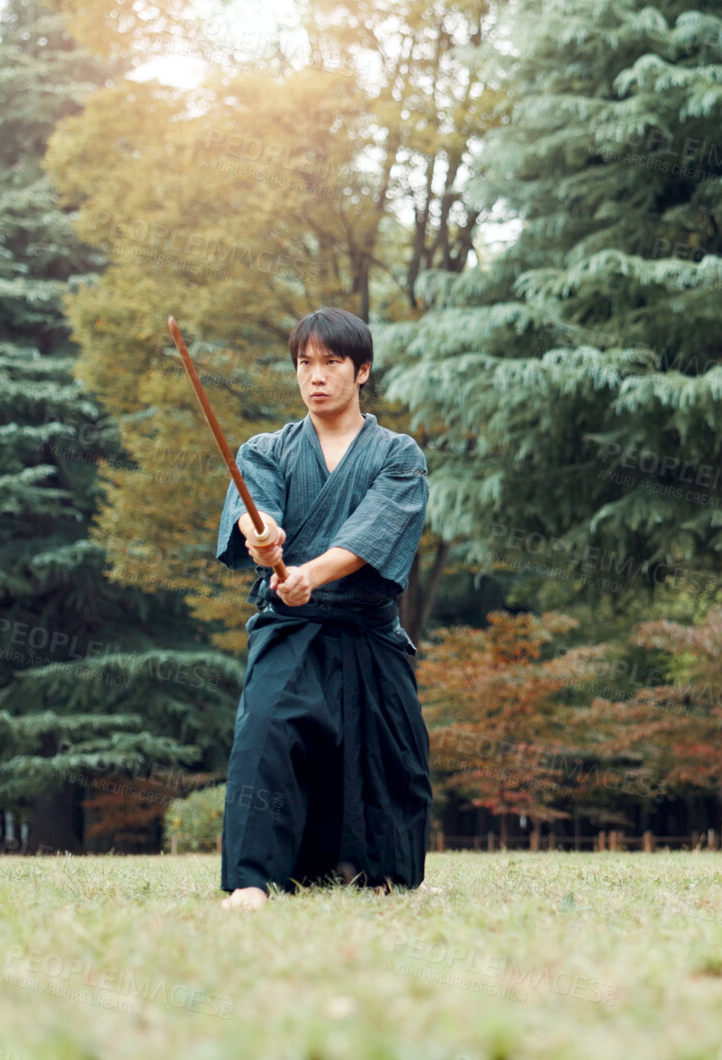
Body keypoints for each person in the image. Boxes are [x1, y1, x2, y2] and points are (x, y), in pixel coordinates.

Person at [213, 306, 432, 910]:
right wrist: (264, 537)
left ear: (362, 371)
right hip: (291, 627)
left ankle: (373, 871)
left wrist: (308, 571)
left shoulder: (399, 455)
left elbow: (373, 532)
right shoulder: (265, 448)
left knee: (390, 761)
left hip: (367, 632)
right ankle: (253, 881)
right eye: (305, 363)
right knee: (266, 736)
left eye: (332, 362)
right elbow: (254, 505)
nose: (316, 376)